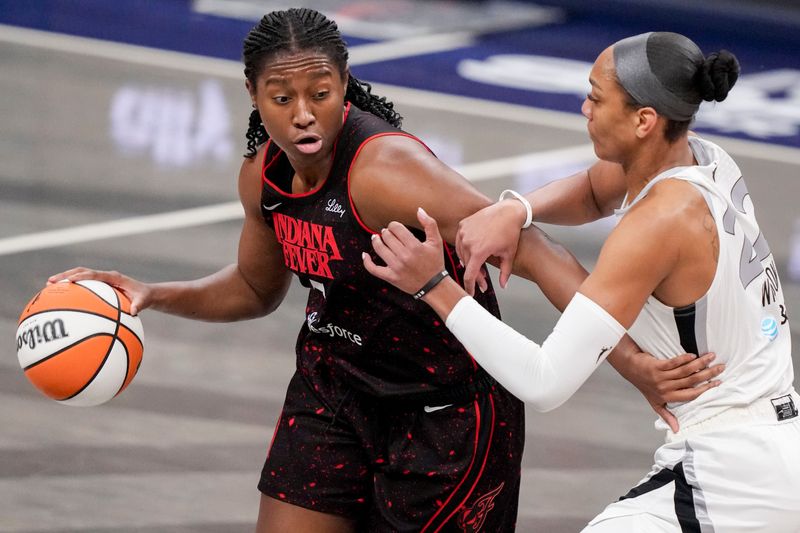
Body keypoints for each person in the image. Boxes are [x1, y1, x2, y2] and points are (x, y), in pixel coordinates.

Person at [48, 12, 716, 531]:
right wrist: (151, 293)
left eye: (320, 93)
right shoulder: (263, 177)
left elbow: (536, 251)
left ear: (344, 85)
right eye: (282, 97)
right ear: (253, 93)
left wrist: (630, 361)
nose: (303, 113)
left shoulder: (386, 172)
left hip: (446, 416)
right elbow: (254, 288)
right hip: (333, 394)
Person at [364, 32, 800, 531]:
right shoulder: (706, 158)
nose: (584, 108)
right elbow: (594, 191)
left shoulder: (660, 221)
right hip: (778, 440)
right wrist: (517, 208)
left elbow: (544, 380)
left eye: (596, 97)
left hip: (730, 473)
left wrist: (435, 286)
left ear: (644, 120)